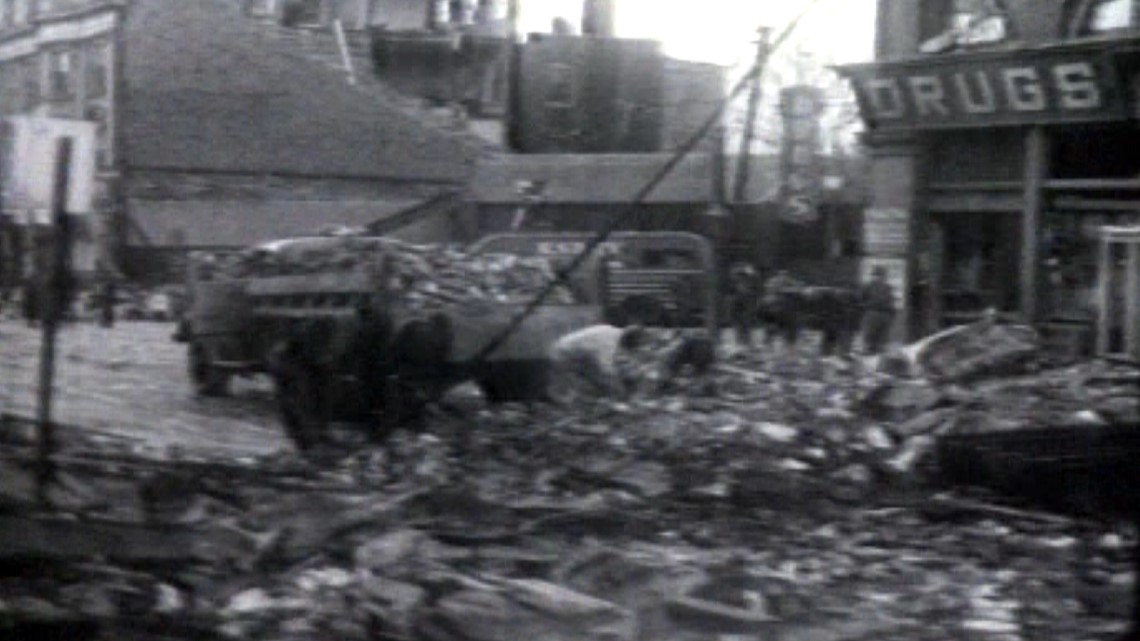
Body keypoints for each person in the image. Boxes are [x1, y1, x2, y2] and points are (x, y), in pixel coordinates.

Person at [547, 323, 646, 403]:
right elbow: (606, 368)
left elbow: (620, 360)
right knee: (571, 393)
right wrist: (620, 386)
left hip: (578, 354)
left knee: (599, 380)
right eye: (631, 346)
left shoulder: (612, 331)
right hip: (564, 354)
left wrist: (632, 371)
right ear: (628, 340)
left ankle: (605, 400)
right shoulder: (608, 342)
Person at [860, 266, 896, 356]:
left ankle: (869, 359)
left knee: (869, 341)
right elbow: (892, 304)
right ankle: (877, 361)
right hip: (883, 316)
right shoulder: (888, 287)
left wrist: (865, 309)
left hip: (872, 314)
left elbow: (861, 300)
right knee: (880, 343)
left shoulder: (868, 286)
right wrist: (890, 318)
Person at [727, 262, 759, 349]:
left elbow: (753, 276)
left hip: (744, 307)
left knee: (745, 328)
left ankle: (746, 344)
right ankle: (742, 345)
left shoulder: (746, 281)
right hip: (740, 307)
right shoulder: (738, 283)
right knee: (741, 328)